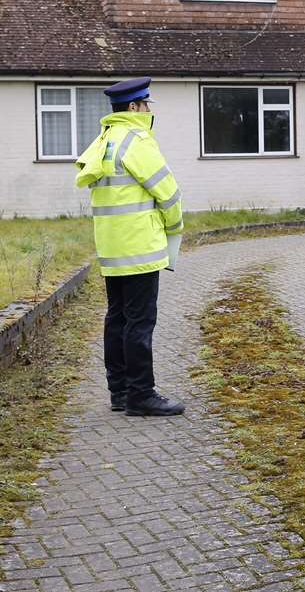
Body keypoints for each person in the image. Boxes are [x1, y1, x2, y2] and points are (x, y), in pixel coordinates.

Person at [75, 77, 185, 417]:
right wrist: (174, 228)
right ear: (134, 107)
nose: (149, 110)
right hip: (140, 246)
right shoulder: (137, 140)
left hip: (112, 247)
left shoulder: (104, 140)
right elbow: (167, 192)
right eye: (146, 104)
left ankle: (120, 392)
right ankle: (142, 394)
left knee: (117, 319)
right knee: (140, 322)